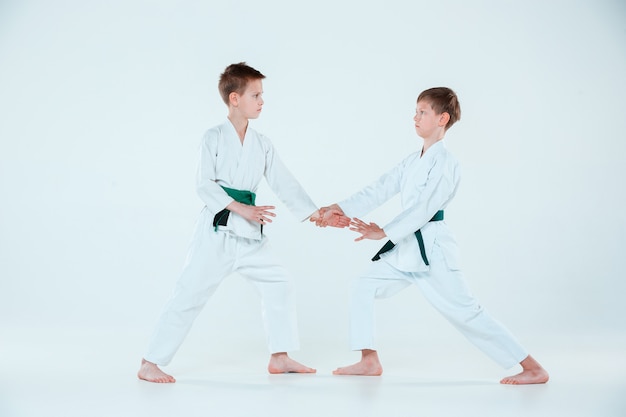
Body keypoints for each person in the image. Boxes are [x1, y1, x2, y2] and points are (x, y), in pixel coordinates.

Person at [318, 87, 549, 385]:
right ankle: (369, 360)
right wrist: (339, 207)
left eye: (422, 112)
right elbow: (380, 187)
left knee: (467, 312)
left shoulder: (446, 163)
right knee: (363, 286)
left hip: (433, 250)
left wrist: (384, 231)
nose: (415, 117)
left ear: (442, 118)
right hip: (406, 250)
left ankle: (532, 367)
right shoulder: (412, 160)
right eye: (415, 111)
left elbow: (424, 209)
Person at [138, 62, 349, 383]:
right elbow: (203, 184)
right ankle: (150, 361)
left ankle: (280, 357)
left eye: (262, 95)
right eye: (256, 95)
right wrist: (239, 208)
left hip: (250, 233)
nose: (262, 101)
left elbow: (284, 182)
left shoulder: (262, 143)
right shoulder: (213, 137)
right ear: (234, 98)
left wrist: (316, 213)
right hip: (218, 230)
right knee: (189, 293)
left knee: (279, 282)